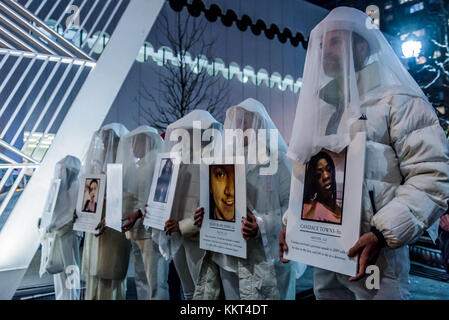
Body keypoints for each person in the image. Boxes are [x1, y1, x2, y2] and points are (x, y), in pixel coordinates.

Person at [279, 7, 449, 300]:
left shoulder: (398, 100)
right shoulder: (322, 110)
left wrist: (383, 233)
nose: (324, 51)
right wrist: (291, 225)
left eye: (334, 42)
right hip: (326, 252)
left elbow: (433, 175)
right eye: (321, 44)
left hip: (376, 257)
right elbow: (307, 178)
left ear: (361, 46)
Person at [194, 98, 297, 300]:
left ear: (259, 124)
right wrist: (204, 215)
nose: (240, 128)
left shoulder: (277, 160)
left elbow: (291, 208)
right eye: (237, 122)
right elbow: (216, 200)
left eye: (245, 122)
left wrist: (261, 225)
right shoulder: (223, 162)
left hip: (266, 257)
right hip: (229, 257)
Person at [154, 110, 223, 300]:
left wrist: (182, 225)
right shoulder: (180, 165)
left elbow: (212, 207)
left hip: (201, 240)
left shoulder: (216, 165)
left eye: (193, 133)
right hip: (179, 238)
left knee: (206, 292)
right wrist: (158, 212)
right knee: (189, 292)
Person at [80, 123, 131, 300]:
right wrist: (81, 213)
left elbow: (122, 200)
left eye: (106, 141)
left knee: (109, 274)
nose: (103, 146)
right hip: (95, 224)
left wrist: (108, 215)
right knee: (94, 273)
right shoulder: (96, 167)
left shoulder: (122, 166)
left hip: (111, 228)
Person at [118, 126, 170, 300]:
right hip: (136, 230)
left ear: (146, 141)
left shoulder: (158, 162)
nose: (132, 147)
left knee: (156, 282)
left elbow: (161, 196)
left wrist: (139, 213)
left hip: (151, 232)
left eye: (135, 142)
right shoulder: (139, 166)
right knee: (141, 279)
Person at [39, 155, 82, 300]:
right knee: (60, 272)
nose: (61, 173)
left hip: (69, 235)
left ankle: (72, 297)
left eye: (64, 170)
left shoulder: (77, 187)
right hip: (59, 235)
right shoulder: (59, 188)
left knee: (70, 271)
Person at [302, 151, 342, 224]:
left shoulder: (342, 211)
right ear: (313, 182)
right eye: (318, 175)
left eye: (329, 169)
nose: (326, 176)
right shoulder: (307, 210)